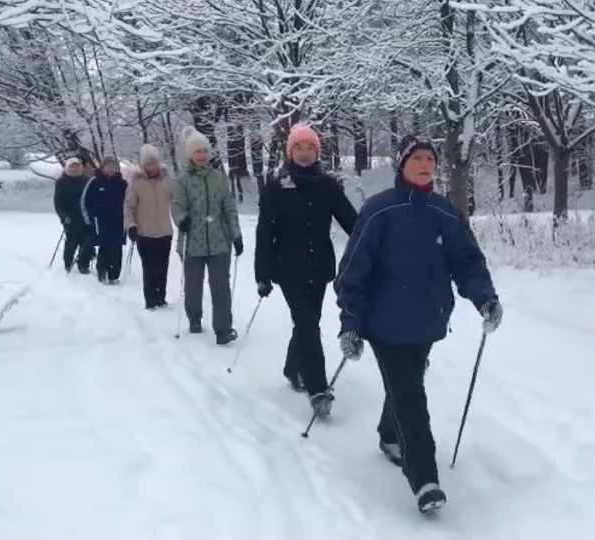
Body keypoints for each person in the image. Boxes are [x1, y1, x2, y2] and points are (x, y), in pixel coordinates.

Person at [334, 135, 504, 514]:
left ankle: (389, 435)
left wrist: (486, 299)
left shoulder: (444, 213)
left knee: (407, 382)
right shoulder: (380, 211)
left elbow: (468, 262)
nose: (426, 164)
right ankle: (424, 477)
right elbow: (352, 272)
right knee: (411, 396)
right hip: (384, 323)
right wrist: (351, 324)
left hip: (427, 320)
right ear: (402, 164)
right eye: (418, 158)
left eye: (431, 158)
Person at [255, 123, 358, 417]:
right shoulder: (277, 185)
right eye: (298, 148)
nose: (304, 153)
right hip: (288, 269)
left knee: (307, 321)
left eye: (309, 148)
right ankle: (318, 388)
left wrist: (374, 242)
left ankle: (292, 368)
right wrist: (262, 274)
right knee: (308, 325)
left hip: (320, 266)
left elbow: (351, 221)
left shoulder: (327, 185)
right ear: (290, 151)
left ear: (317, 151)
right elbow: (265, 232)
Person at [171, 127, 242, 345]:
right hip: (192, 242)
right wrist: (183, 219)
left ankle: (223, 329)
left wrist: (236, 235)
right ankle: (194, 317)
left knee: (221, 286)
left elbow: (229, 208)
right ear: (189, 155)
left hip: (219, 242)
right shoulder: (182, 180)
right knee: (193, 285)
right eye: (197, 151)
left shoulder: (219, 178)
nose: (202, 155)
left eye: (204, 151)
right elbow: (177, 206)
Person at [124, 144, 174, 310]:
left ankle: (161, 298)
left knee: (162, 267)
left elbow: (178, 201)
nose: (151, 167)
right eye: (148, 163)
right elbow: (129, 207)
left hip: (165, 232)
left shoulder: (167, 180)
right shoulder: (136, 183)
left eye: (154, 163)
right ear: (142, 165)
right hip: (145, 233)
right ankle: (151, 300)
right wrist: (131, 225)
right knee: (150, 268)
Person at [81, 155, 128, 284]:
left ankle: (114, 276)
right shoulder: (94, 182)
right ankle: (102, 271)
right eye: (108, 167)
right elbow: (85, 202)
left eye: (113, 167)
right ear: (103, 168)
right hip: (100, 221)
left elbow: (130, 202)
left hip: (118, 221)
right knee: (104, 247)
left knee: (117, 249)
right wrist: (89, 220)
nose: (110, 169)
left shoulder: (122, 184)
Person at [53, 157, 93, 274]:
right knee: (71, 241)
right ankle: (68, 263)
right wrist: (63, 216)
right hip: (70, 217)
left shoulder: (86, 180)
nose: (74, 170)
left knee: (87, 242)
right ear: (67, 168)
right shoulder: (61, 182)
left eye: (77, 167)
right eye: (72, 167)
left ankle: (83, 265)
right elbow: (58, 202)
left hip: (85, 216)